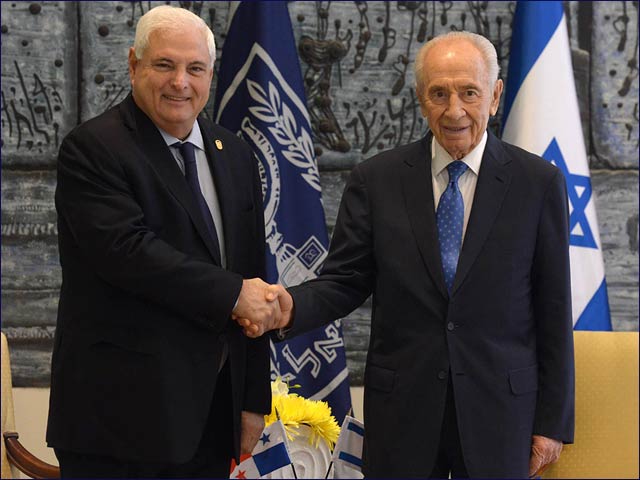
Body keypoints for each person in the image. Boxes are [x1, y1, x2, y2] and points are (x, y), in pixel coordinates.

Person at [237, 31, 575, 478]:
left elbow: (553, 309)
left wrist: (551, 423)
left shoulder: (538, 184)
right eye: (439, 93)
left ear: (494, 97)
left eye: (469, 92)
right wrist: (289, 306)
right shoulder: (377, 180)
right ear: (421, 99)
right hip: (403, 411)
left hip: (501, 413)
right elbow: (345, 280)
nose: (454, 110)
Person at [46, 6, 281, 478]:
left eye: (195, 69)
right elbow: (129, 253)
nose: (180, 82)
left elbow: (252, 272)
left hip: (213, 420)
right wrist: (235, 294)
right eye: (164, 65)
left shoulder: (233, 154)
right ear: (134, 65)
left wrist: (252, 400)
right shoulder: (94, 148)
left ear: (210, 76)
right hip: (119, 425)